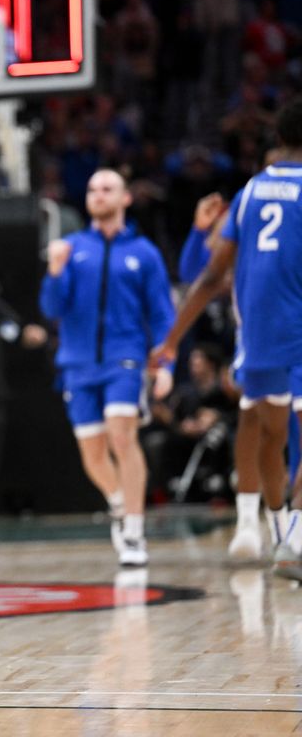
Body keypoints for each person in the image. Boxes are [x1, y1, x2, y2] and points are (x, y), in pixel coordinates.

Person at [151, 101, 302, 579]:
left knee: (264, 431)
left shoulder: (251, 191)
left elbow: (208, 276)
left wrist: (171, 339)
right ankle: (284, 532)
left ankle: (278, 531)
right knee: (269, 433)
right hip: (294, 329)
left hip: (257, 336)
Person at [41, 168, 175, 568]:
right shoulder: (71, 248)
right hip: (78, 362)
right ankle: (119, 501)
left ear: (125, 198)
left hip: (125, 359)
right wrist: (54, 272)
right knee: (93, 454)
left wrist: (165, 363)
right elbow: (52, 309)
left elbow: (163, 314)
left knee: (123, 436)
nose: (98, 195)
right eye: (92, 188)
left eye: (107, 189)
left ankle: (133, 531)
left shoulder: (144, 253)